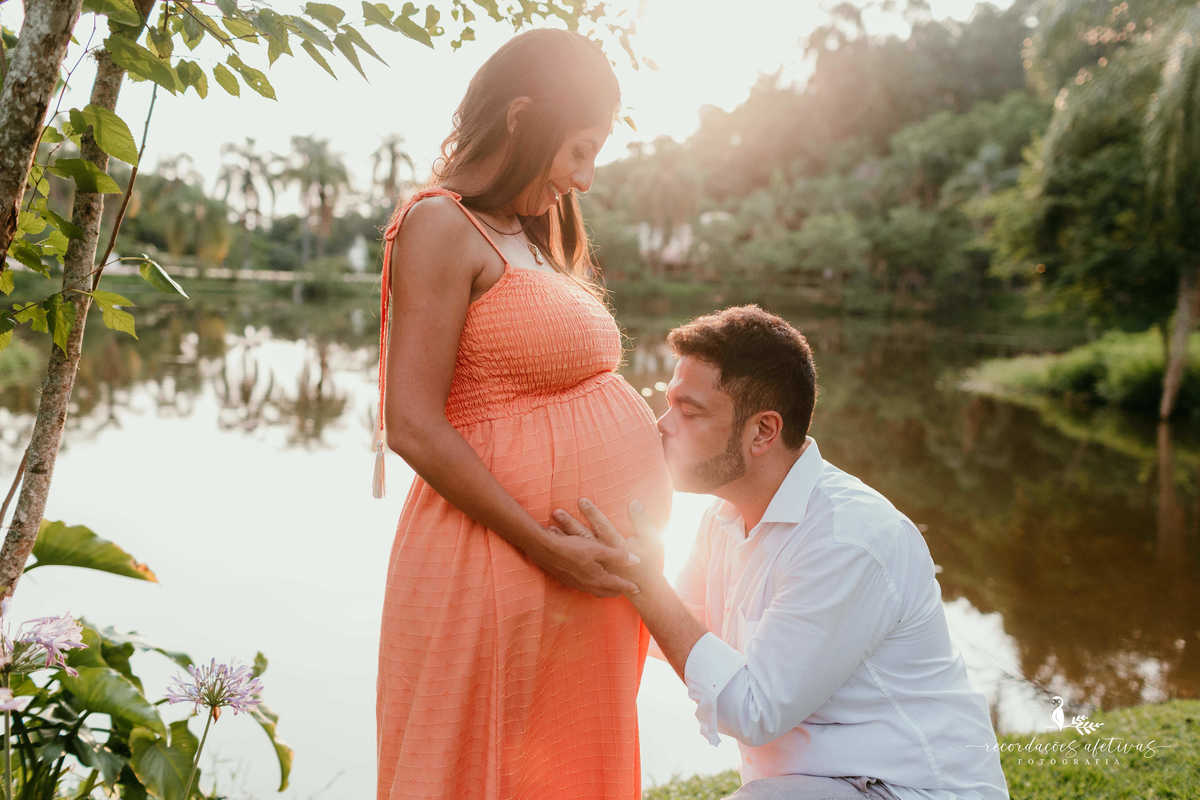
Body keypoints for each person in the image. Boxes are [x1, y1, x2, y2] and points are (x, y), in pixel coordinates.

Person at [372, 27, 673, 800]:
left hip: (574, 572)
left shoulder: (536, 231)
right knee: (481, 769)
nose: (586, 177)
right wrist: (542, 545)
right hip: (499, 561)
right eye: (579, 149)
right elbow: (410, 422)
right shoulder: (442, 225)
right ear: (521, 119)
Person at [553, 306, 1011, 800]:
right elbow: (675, 632)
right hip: (822, 786)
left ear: (763, 432)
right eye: (668, 405)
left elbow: (754, 710)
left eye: (690, 411)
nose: (662, 426)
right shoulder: (723, 518)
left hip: (907, 790)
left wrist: (644, 580)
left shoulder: (848, 539)